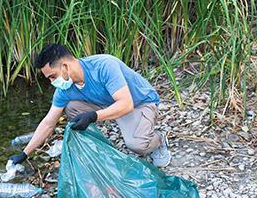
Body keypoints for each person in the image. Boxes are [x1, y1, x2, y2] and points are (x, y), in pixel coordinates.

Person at [9, 43, 171, 167]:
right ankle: (91, 146)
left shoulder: (104, 66)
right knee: (71, 108)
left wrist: (93, 116)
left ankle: (160, 139)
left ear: (65, 66)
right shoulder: (64, 89)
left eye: (52, 77)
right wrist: (25, 154)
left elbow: (126, 104)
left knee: (138, 145)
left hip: (139, 103)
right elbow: (48, 123)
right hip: (109, 104)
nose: (52, 83)